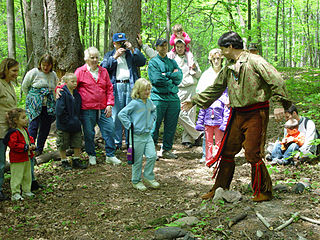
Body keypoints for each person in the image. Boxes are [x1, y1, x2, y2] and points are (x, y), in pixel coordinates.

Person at [182, 31, 292, 202]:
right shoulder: (229, 67)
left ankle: (263, 191)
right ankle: (220, 188)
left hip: (256, 113)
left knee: (252, 153)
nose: (221, 52)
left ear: (231, 47)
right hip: (237, 113)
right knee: (227, 150)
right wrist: (194, 100)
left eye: (223, 49)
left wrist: (279, 104)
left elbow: (276, 80)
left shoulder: (255, 61)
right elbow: (215, 88)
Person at [74, 47, 120, 166]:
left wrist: (110, 104)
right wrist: (59, 89)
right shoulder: (80, 71)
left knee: (110, 129)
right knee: (89, 133)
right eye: (92, 57)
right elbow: (70, 84)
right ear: (86, 58)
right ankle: (91, 155)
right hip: (87, 108)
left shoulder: (103, 71)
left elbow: (109, 88)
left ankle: (110, 155)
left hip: (103, 107)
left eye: (96, 57)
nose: (95, 60)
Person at [101, 33, 146, 150]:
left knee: (130, 114)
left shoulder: (130, 54)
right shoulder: (110, 55)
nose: (121, 45)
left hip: (130, 86)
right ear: (114, 43)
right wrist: (115, 56)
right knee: (116, 115)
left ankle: (130, 141)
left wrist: (132, 48)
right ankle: (117, 142)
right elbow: (103, 68)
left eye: (123, 42)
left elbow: (142, 61)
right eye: (119, 43)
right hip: (116, 86)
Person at [22, 54, 58, 191]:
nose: (46, 67)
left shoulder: (53, 74)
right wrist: (33, 98)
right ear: (40, 63)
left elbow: (54, 87)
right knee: (33, 125)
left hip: (47, 104)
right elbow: (25, 87)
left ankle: (39, 148)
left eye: (48, 65)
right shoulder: (34, 72)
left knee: (45, 127)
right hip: (34, 102)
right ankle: (30, 146)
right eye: (44, 64)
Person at [118, 78, 159, 191]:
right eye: (145, 90)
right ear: (138, 91)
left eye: (149, 90)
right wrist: (130, 125)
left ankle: (148, 177)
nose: (147, 92)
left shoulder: (150, 102)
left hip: (147, 135)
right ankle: (136, 181)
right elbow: (122, 114)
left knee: (152, 156)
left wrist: (152, 120)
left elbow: (154, 111)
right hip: (136, 136)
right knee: (137, 160)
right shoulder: (134, 104)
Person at [148, 38, 183, 159]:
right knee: (154, 125)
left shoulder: (172, 62)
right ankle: (151, 150)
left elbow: (179, 77)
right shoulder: (153, 62)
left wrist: (166, 75)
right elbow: (156, 79)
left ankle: (167, 150)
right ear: (156, 48)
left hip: (173, 98)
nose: (163, 48)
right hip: (158, 98)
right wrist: (171, 78)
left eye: (165, 45)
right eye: (161, 46)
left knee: (171, 125)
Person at [167, 39, 202, 148]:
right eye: (177, 46)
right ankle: (198, 134)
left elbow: (198, 74)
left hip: (190, 87)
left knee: (190, 114)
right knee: (179, 112)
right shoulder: (172, 58)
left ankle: (188, 140)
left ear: (185, 46)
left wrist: (195, 69)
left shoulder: (190, 57)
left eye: (181, 46)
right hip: (178, 88)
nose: (179, 48)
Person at [195, 49, 226, 163]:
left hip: (223, 106)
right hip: (209, 106)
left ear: (222, 59)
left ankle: (220, 155)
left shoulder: (225, 72)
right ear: (210, 60)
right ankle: (205, 155)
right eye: (214, 59)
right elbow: (200, 89)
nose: (216, 61)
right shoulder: (207, 74)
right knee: (207, 131)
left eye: (218, 58)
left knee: (221, 132)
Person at [55, 73, 87, 170]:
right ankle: (64, 160)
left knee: (77, 142)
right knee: (63, 143)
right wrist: (66, 121)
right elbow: (59, 110)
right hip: (64, 125)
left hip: (76, 124)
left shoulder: (77, 94)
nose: (74, 83)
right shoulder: (62, 93)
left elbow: (80, 109)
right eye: (72, 81)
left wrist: (79, 119)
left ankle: (76, 159)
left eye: (75, 81)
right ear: (66, 82)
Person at [3, 108, 35, 201]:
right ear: (15, 120)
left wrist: (32, 144)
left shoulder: (25, 130)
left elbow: (29, 138)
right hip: (17, 158)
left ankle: (26, 191)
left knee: (27, 175)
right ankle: (15, 193)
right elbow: (13, 145)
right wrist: (25, 147)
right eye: (23, 118)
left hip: (27, 157)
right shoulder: (13, 132)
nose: (26, 119)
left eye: (26, 117)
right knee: (17, 176)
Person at [0, 58, 19, 201]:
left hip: (9, 127)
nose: (16, 74)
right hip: (0, 127)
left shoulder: (9, 84)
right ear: (5, 69)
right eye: (14, 71)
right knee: (0, 162)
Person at [195, 89, 230, 165]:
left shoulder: (224, 99)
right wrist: (200, 123)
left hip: (219, 125)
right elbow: (202, 112)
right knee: (208, 142)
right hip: (208, 124)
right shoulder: (207, 99)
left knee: (219, 142)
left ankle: (218, 159)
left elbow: (226, 113)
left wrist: (224, 124)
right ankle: (208, 159)